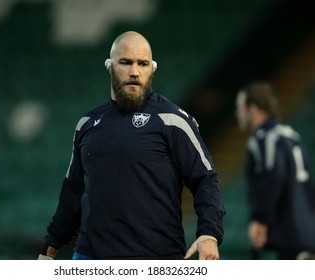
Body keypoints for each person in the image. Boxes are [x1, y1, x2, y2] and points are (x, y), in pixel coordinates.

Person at [38, 31, 225, 260]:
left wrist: (209, 233)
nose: (134, 72)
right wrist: (51, 247)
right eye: (125, 63)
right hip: (91, 258)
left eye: (143, 64)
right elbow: (73, 192)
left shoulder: (173, 121)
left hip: (156, 260)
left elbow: (206, 179)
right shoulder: (87, 124)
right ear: (109, 66)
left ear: (152, 69)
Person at [235, 81, 315, 260]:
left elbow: (275, 176)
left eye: (240, 107)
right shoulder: (291, 135)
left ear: (253, 108)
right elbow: (307, 185)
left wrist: (260, 220)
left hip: (290, 236)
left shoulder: (265, 139)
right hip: (307, 234)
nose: (237, 113)